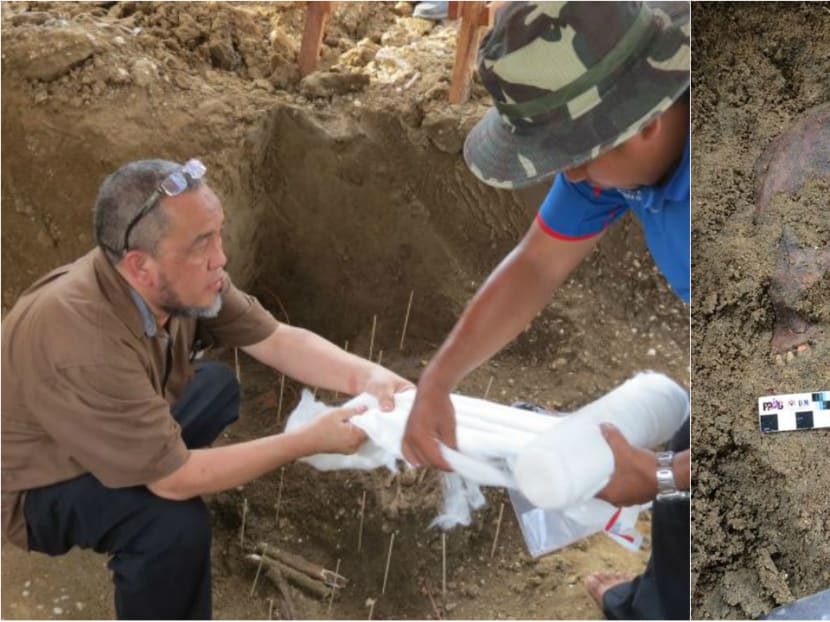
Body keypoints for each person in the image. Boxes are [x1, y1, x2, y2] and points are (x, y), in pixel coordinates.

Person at [1, 158, 413, 620]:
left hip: (100, 428)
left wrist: (368, 376)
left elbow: (275, 338)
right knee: (173, 524)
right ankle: (138, 527)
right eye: (203, 244)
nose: (222, 257)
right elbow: (174, 481)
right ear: (141, 266)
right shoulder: (84, 340)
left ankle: (138, 469)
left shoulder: (172, 280)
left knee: (216, 386)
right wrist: (305, 442)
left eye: (218, 233)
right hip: (36, 483)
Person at [400, 2, 690, 619]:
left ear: (646, 123)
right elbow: (535, 266)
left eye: (577, 151)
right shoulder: (624, 154)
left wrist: (666, 476)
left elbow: (812, 410)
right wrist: (440, 378)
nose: (572, 171)